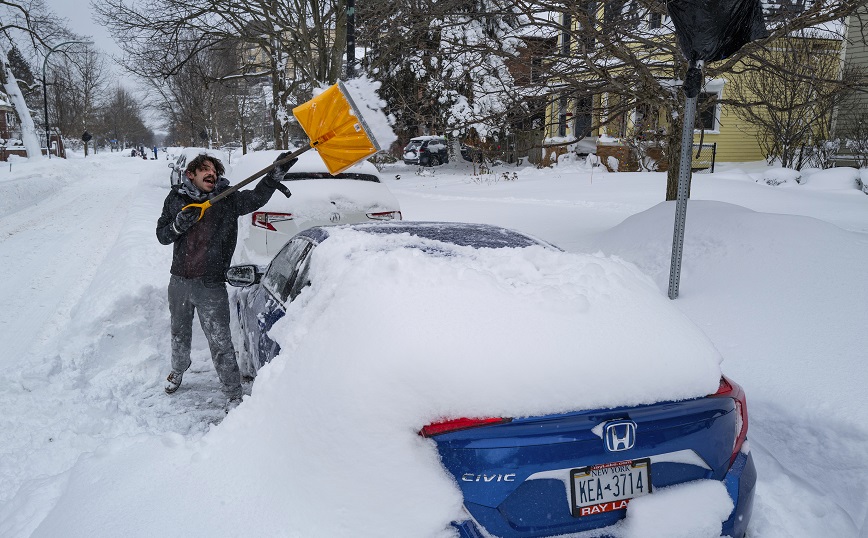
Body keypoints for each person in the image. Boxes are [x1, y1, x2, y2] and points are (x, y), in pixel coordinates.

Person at [156, 152, 296, 405]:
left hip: (211, 283)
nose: (212, 174)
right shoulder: (176, 198)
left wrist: (275, 174)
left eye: (215, 171)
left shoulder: (227, 199)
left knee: (220, 340)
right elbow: (162, 235)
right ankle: (178, 369)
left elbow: (255, 198)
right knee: (179, 332)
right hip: (179, 281)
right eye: (205, 170)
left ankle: (232, 392)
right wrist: (178, 224)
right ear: (191, 174)